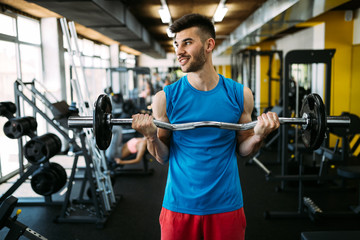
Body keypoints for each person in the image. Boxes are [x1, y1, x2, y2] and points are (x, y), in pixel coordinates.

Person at [132, 13, 280, 240]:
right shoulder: (165, 98)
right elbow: (163, 157)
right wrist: (151, 137)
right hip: (178, 205)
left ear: (209, 44)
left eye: (187, 43)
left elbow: (243, 150)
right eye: (176, 44)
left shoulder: (240, 94)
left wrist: (259, 136)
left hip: (226, 205)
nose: (179, 51)